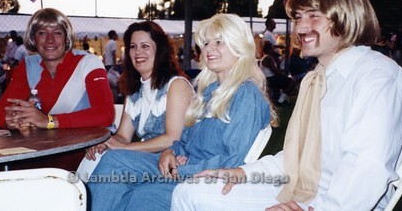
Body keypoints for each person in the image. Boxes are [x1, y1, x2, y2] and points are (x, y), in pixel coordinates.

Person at [171, 0, 402, 211]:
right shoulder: (317, 79)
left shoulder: (378, 77)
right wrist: (241, 172)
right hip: (299, 189)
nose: (300, 28)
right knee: (189, 192)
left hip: (337, 203)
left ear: (345, 14)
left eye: (313, 16)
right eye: (298, 17)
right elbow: (294, 159)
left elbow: (367, 170)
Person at [87, 13, 276, 210]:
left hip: (200, 176)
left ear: (240, 46)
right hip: (181, 165)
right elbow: (183, 138)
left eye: (219, 42)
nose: (208, 49)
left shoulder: (246, 95)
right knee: (114, 160)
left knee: (143, 195)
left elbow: (233, 159)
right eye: (206, 43)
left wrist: (183, 168)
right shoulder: (210, 91)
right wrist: (171, 152)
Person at [79, 21, 193, 178]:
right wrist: (106, 143)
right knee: (92, 159)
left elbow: (173, 138)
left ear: (159, 50)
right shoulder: (133, 89)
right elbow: (123, 136)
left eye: (145, 46)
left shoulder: (177, 85)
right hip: (147, 158)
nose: (138, 52)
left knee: (114, 160)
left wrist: (124, 148)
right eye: (133, 46)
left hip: (174, 160)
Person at [0, 8, 114, 130]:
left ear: (67, 39)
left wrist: (49, 121)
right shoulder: (28, 66)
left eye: (57, 33)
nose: (50, 40)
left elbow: (105, 114)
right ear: (33, 39)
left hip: (92, 144)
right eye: (42, 33)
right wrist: (11, 121)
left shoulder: (89, 62)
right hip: (51, 144)